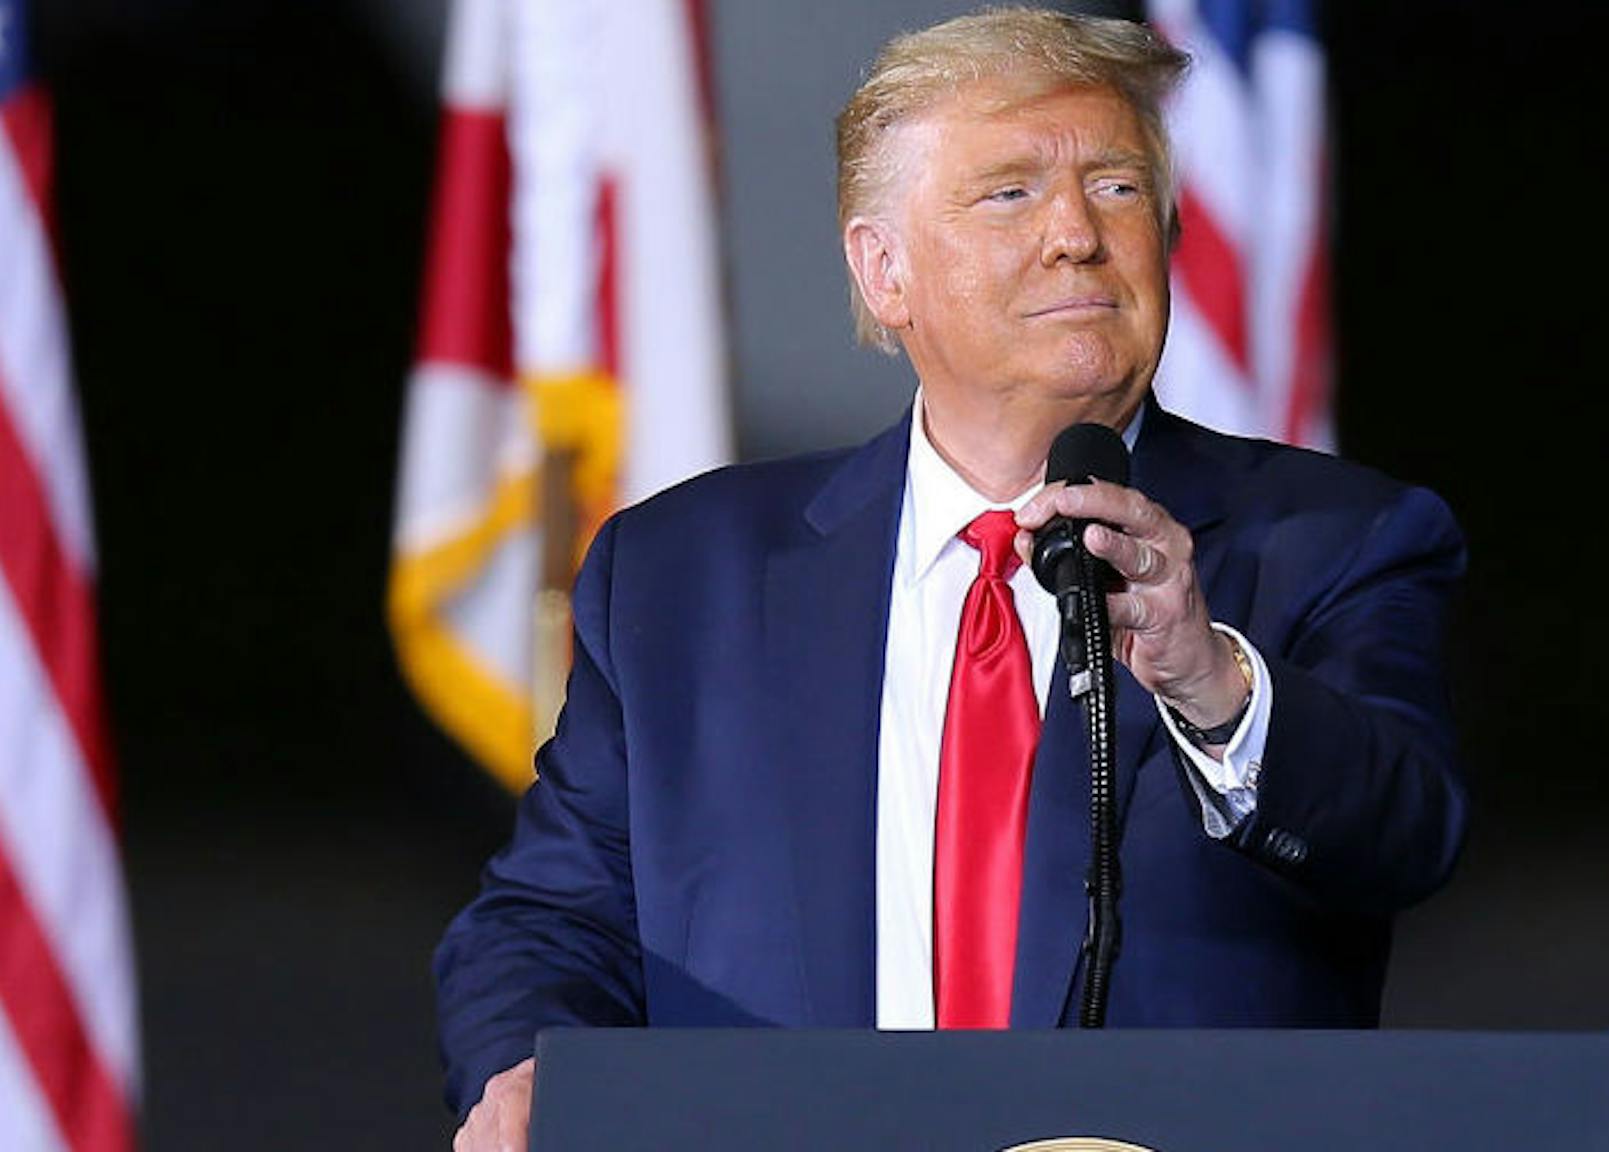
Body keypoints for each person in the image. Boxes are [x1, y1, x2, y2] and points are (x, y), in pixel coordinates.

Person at [436, 9, 1468, 1149]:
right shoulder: (681, 577)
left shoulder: (1335, 539)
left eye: (1117, 187)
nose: (1076, 234)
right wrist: (527, 1066)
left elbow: (1405, 836)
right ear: (884, 272)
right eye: (1010, 192)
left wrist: (1211, 681)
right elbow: (545, 922)